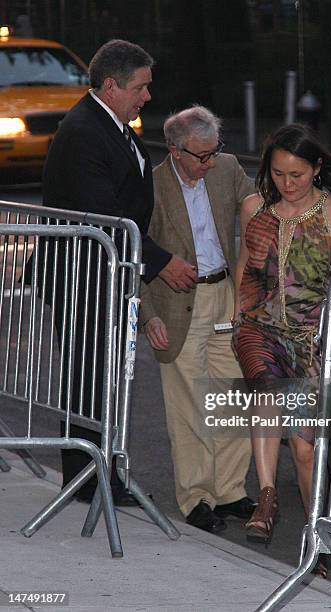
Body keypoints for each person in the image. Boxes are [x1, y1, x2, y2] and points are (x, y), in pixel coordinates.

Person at [41, 40, 197, 506]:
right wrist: (162, 262)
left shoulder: (110, 124)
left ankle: (99, 472)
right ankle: (88, 481)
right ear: (111, 86)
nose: (147, 96)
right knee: (89, 379)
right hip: (83, 274)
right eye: (140, 87)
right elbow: (101, 215)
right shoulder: (86, 130)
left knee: (103, 378)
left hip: (104, 271)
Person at [232, 123, 331, 574]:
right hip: (259, 330)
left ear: (316, 169)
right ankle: (267, 496)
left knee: (306, 449)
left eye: (296, 174)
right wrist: (238, 318)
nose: (286, 184)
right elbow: (243, 269)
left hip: (309, 341)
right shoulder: (254, 206)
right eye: (277, 174)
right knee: (267, 392)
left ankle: (315, 540)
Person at [140, 106, 255, 533]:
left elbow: (254, 202)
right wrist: (146, 315)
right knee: (189, 404)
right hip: (175, 302)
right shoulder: (150, 186)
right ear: (175, 151)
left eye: (214, 152)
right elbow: (135, 253)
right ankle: (197, 498)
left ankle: (230, 491)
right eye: (200, 156)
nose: (209, 163)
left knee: (232, 395)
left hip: (225, 294)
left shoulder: (225, 168)